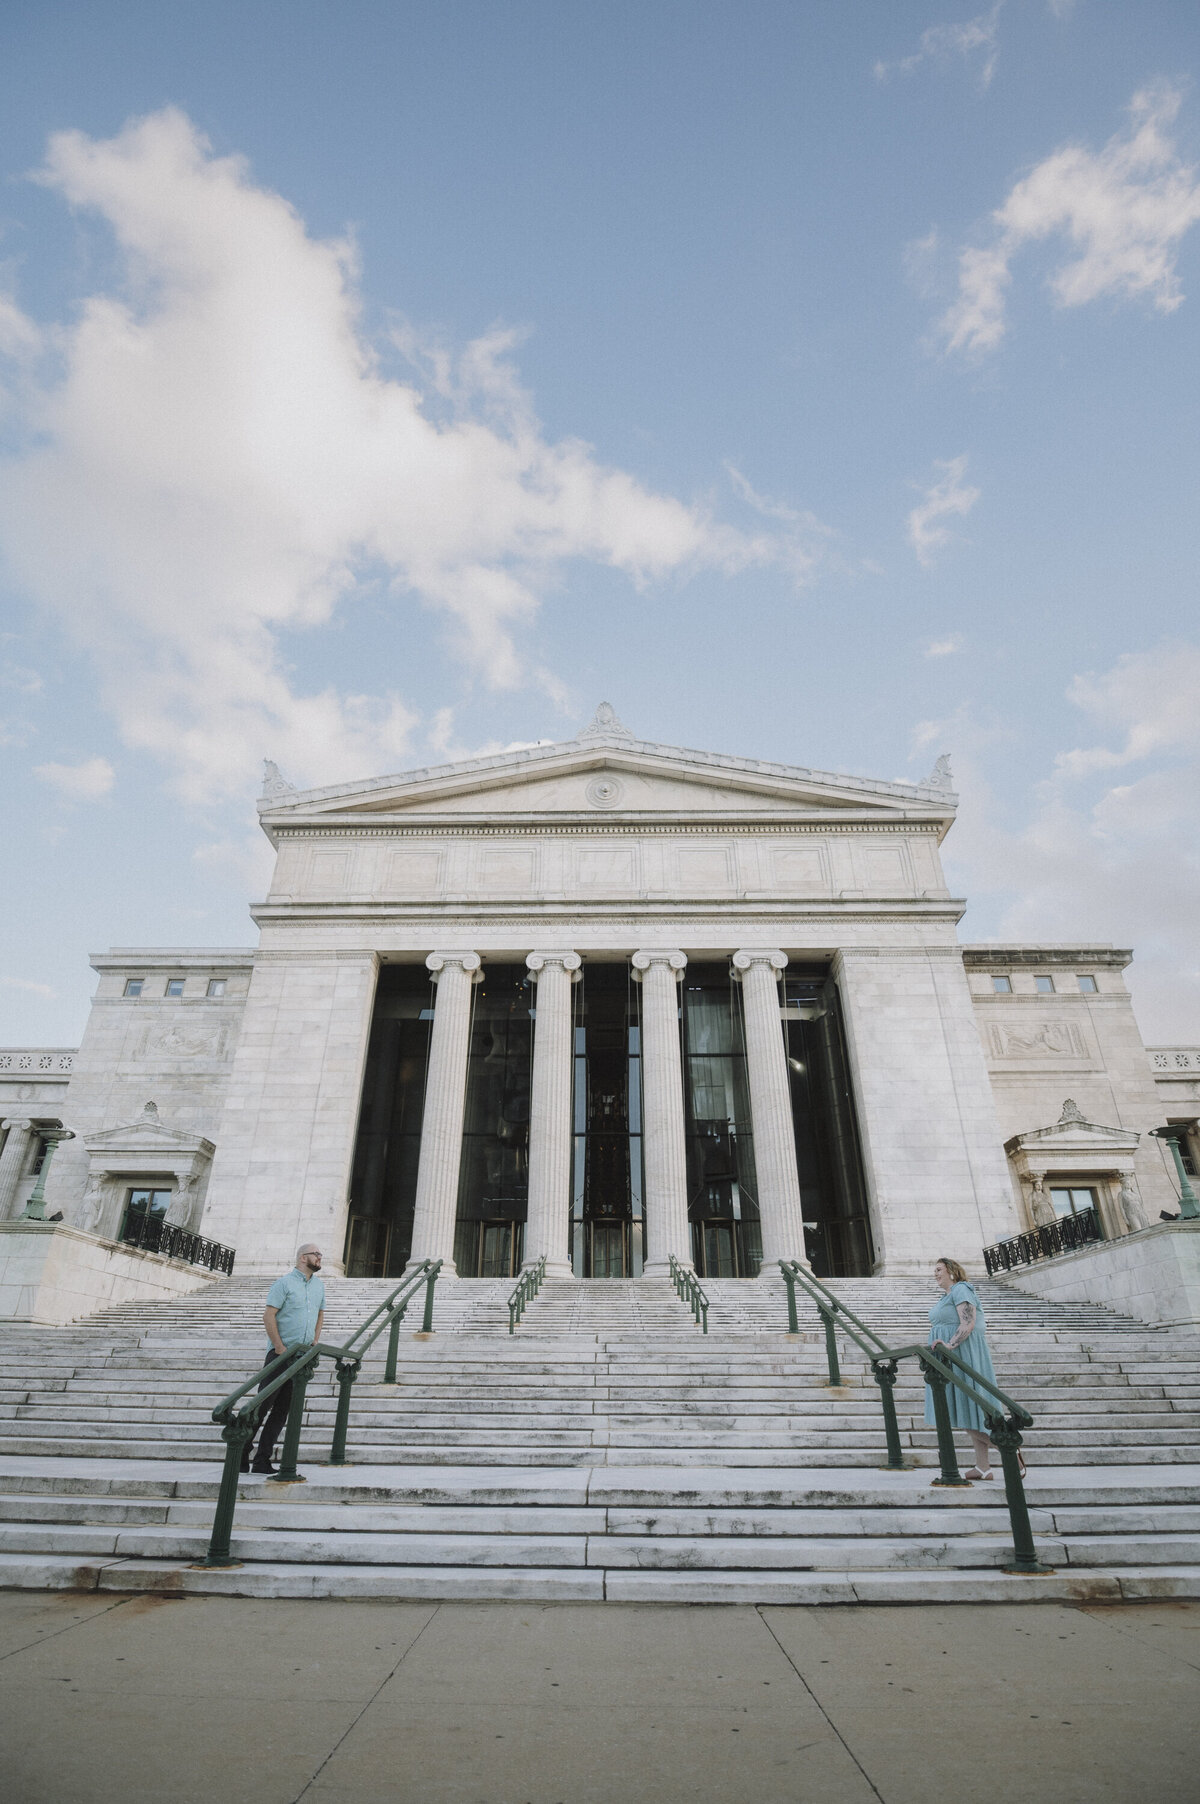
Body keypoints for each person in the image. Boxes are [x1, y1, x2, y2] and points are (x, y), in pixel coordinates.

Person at [925, 1256, 1025, 1482]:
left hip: (963, 1354)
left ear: (951, 1270)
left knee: (968, 1406)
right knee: (967, 1411)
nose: (936, 1273)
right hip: (950, 1355)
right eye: (935, 1270)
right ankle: (982, 1467)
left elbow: (968, 1322)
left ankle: (1008, 1449)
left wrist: (950, 1345)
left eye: (939, 1269)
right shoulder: (947, 1296)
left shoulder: (961, 1289)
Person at [241, 1243, 325, 1475]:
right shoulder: (284, 1284)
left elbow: (320, 1314)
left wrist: (315, 1340)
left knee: (281, 1412)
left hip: (301, 1356)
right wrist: (278, 1346)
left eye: (320, 1255)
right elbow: (269, 1316)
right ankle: (241, 1451)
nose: (319, 1258)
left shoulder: (319, 1286)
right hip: (280, 1355)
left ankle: (262, 1460)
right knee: (262, 1407)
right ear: (302, 1258)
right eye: (316, 1255)